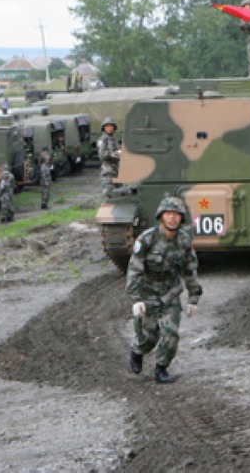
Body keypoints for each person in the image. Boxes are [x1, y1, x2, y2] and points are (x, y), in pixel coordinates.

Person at [127, 196, 203, 384]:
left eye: (176, 215)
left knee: (171, 334)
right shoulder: (147, 239)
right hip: (147, 293)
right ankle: (137, 351)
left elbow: (190, 269)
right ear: (161, 216)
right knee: (149, 338)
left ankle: (161, 369)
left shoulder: (184, 241)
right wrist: (136, 299)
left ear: (181, 218)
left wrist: (194, 297)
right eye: (169, 214)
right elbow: (134, 270)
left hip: (170, 294)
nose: (172, 218)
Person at [97, 117, 120, 197]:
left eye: (111, 126)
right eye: (107, 126)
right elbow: (102, 155)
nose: (109, 128)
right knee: (109, 193)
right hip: (108, 171)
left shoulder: (114, 139)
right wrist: (116, 154)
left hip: (116, 169)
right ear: (104, 128)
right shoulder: (103, 140)